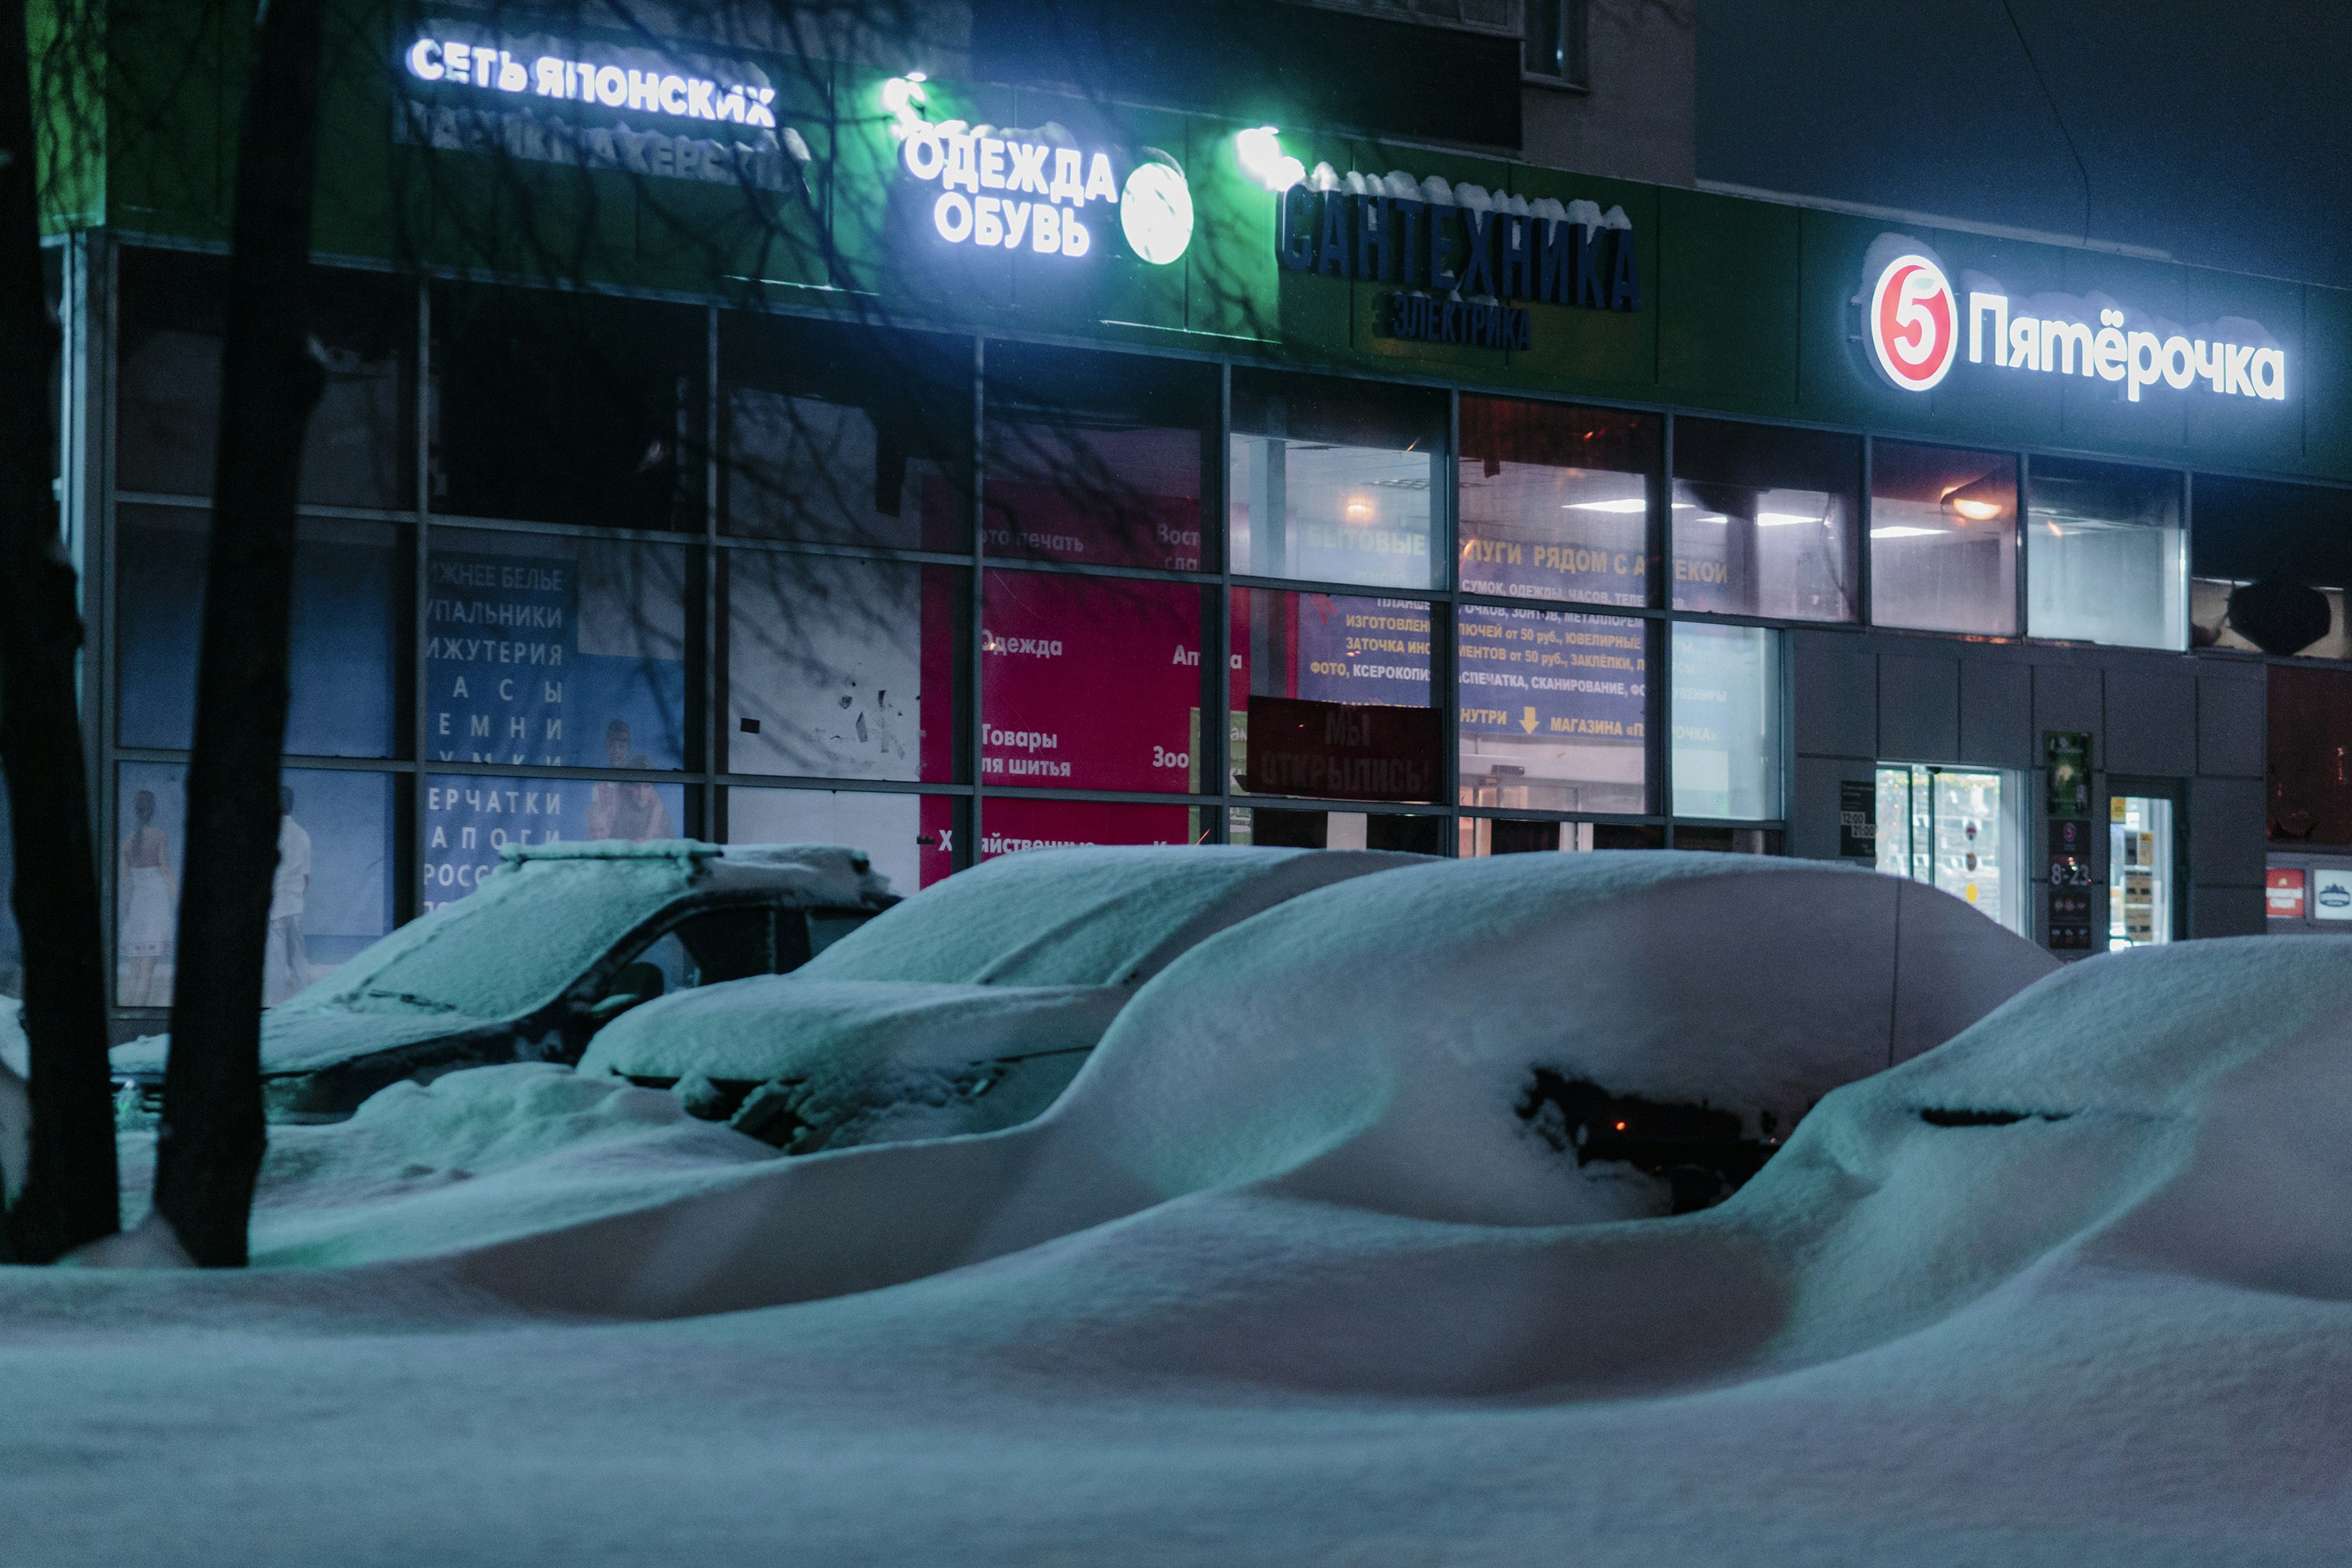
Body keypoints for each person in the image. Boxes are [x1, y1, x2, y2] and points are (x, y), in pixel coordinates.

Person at [118, 788, 176, 1007]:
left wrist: (127, 912)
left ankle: (131, 1018)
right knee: (146, 976)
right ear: (152, 811)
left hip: (137, 910)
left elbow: (125, 884)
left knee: (134, 976)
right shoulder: (159, 836)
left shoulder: (126, 842)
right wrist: (180, 899)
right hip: (156, 909)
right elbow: (166, 873)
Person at [263, 786, 313, 1006]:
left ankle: (275, 1005)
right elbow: (305, 878)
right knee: (298, 958)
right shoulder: (303, 835)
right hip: (295, 904)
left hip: (275, 906)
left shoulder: (268, 834)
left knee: (275, 961)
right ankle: (303, 1001)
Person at [609, 755, 676, 841]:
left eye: (646, 786)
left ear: (652, 787)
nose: (641, 793)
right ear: (629, 787)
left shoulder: (663, 815)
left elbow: (671, 846)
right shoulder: (620, 813)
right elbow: (615, 849)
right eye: (637, 786)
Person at [586, 718, 632, 840]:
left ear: (628, 749)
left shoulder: (637, 784)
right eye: (611, 746)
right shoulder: (599, 786)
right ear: (606, 747)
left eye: (621, 746)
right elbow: (594, 822)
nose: (616, 751)